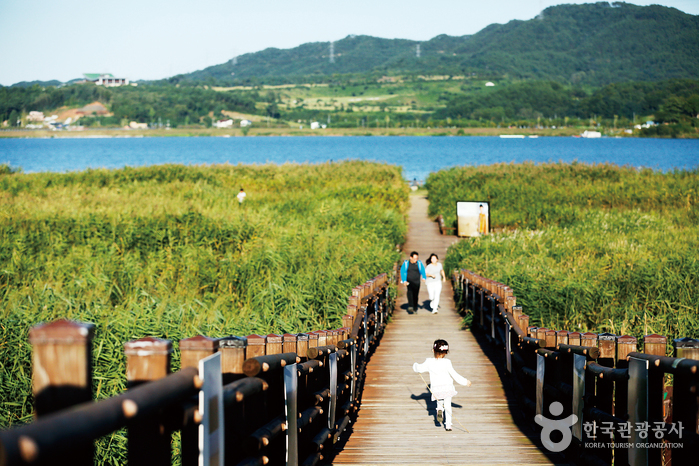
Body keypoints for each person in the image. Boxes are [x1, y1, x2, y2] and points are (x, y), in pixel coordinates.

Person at [413, 339, 472, 431]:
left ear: (433, 350)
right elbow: (454, 374)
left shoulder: (429, 362)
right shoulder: (447, 362)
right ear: (446, 352)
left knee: (439, 401)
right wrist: (465, 381)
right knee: (448, 405)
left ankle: (439, 409)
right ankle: (448, 425)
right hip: (447, 387)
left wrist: (415, 365)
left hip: (437, 389)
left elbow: (419, 369)